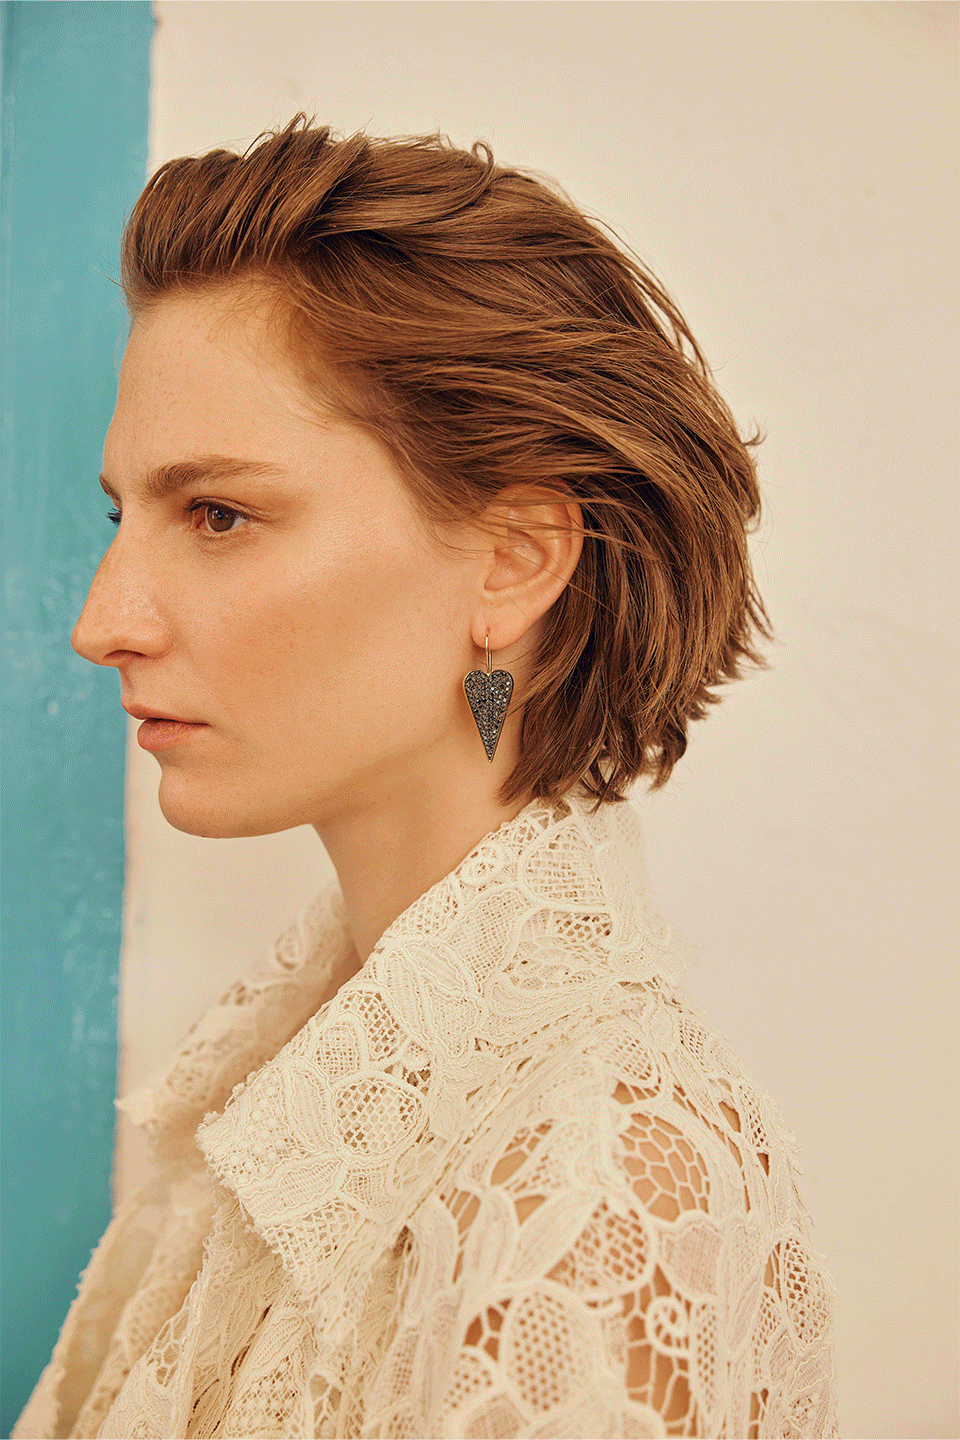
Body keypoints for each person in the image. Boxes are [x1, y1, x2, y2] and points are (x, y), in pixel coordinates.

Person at [15, 117, 838, 1440]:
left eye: (217, 514)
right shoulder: (305, 1072)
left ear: (514, 559)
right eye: (127, 515)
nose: (103, 621)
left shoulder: (592, 1191)